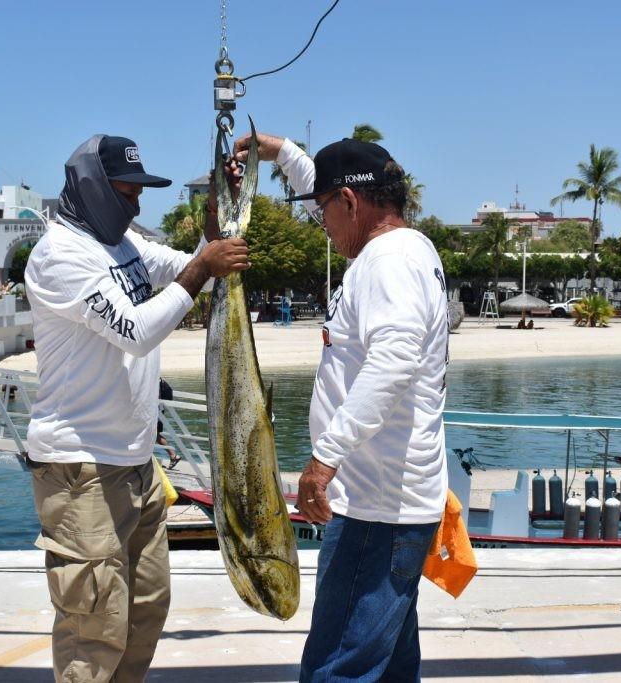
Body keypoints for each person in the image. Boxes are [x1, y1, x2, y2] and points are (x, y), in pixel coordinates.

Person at [24, 134, 249, 682]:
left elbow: (183, 264)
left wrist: (215, 222)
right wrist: (203, 269)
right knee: (94, 629)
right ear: (94, 190)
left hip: (136, 464)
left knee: (147, 608)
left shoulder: (122, 244)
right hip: (81, 468)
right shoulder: (61, 255)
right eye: (128, 193)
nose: (137, 205)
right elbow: (137, 331)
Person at [235, 132, 449, 682]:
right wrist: (281, 152)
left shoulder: (387, 263)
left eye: (324, 211)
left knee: (338, 668)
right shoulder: (407, 248)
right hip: (395, 504)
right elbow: (327, 190)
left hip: (373, 510)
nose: (321, 226)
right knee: (389, 667)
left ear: (350, 203)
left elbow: (394, 363)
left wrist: (323, 460)